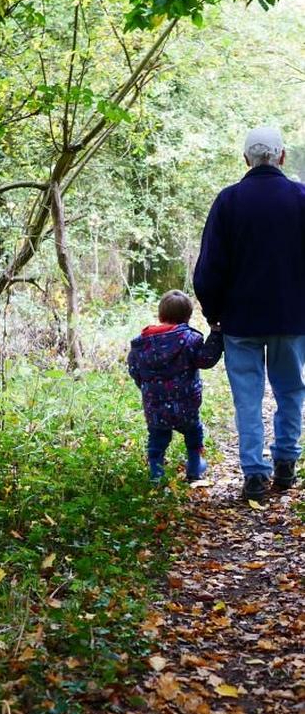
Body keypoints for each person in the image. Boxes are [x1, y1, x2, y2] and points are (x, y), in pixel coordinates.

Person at [194, 125, 304, 501]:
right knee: (291, 391)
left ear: (246, 160)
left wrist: (213, 313)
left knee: (248, 397)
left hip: (239, 320)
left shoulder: (228, 201)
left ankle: (255, 474)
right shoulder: (301, 197)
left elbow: (209, 267)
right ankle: (286, 463)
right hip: (293, 318)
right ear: (282, 157)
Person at [128, 290, 224, 482]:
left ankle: (156, 473)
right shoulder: (190, 340)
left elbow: (134, 370)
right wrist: (216, 335)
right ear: (187, 317)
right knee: (193, 431)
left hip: (154, 405)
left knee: (157, 437)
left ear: (160, 315)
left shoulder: (141, 344)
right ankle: (195, 467)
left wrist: (148, 390)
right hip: (186, 404)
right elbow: (205, 360)